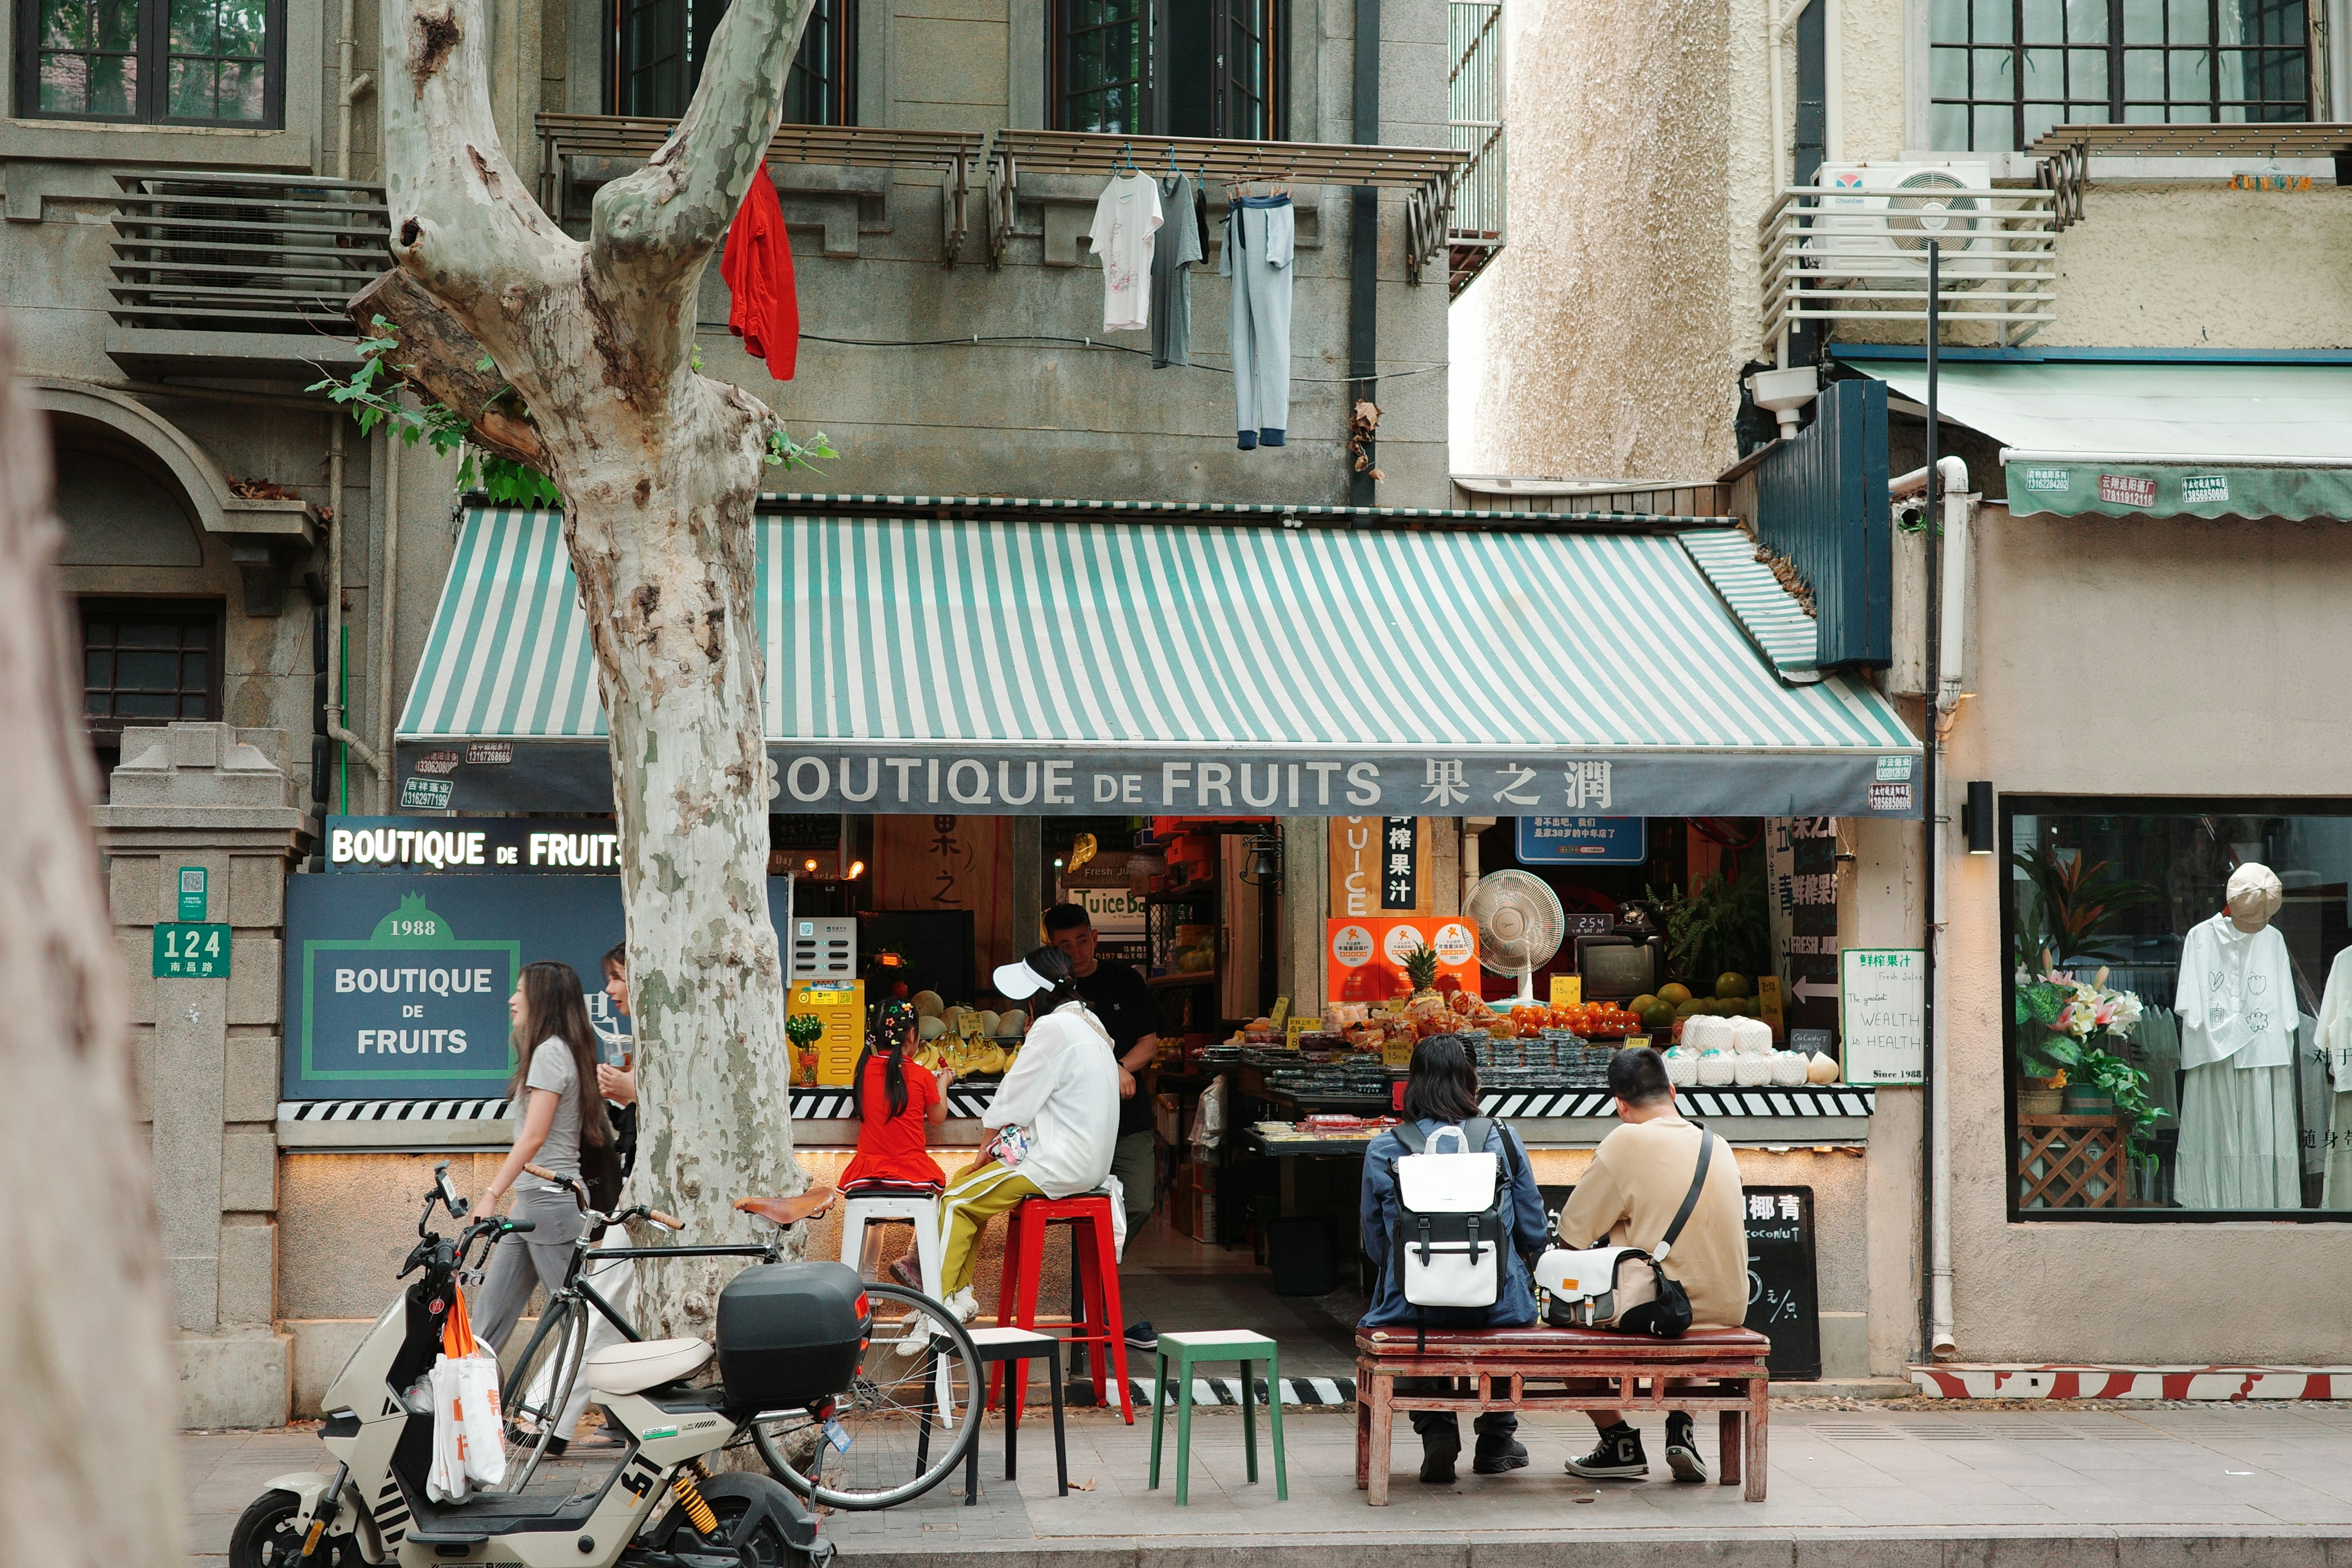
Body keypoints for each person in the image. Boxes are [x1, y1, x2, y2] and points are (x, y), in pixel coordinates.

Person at [1358, 1036, 1548, 1484]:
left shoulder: (1386, 1148)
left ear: (1414, 1084)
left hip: (1410, 1304)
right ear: (1471, 1081)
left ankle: (1437, 1428)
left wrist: (1415, 1272)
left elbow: (1375, 1242)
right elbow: (1533, 1226)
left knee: (1407, 1330)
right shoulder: (1501, 1137)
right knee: (1513, 1326)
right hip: (1497, 1305)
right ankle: (1497, 1439)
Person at [1554, 1045, 1748, 1484]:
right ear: (1673, 1091)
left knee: (1565, 1329)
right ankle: (1680, 1426)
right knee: (1688, 1304)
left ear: (1621, 1106)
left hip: (1660, 1311)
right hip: (1729, 1309)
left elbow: (1571, 1238)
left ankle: (1618, 1441)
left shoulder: (1625, 1140)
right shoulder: (1715, 1143)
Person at [932, 945, 1119, 1324]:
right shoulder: (1090, 1023)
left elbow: (1012, 1099)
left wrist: (984, 1149)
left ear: (1035, 998)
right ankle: (958, 1293)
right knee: (962, 1183)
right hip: (1089, 1164)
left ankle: (933, 1309)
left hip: (1056, 1162)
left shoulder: (1052, 1028)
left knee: (955, 1201)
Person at [470, 962, 615, 1381]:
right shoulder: (560, 1051)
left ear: (542, 1000)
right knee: (490, 1316)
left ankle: (619, 1416)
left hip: (552, 1205)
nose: (512, 1000)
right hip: (536, 1202)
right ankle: (473, 1407)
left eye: (520, 992)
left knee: (576, 1318)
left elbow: (534, 1138)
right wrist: (517, 1197)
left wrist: (492, 1193)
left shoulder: (551, 1053)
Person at [1042, 901, 1163, 1352]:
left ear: (1095, 937)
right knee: (1076, 1213)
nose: (1075, 950)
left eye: (1081, 939)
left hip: (1127, 1121)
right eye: (1063, 944)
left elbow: (1149, 1042)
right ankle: (1093, 1309)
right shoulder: (1049, 991)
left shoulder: (1125, 981)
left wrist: (1117, 1070)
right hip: (1075, 1125)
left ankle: (1095, 1294)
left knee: (1138, 1203)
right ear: (1051, 947)